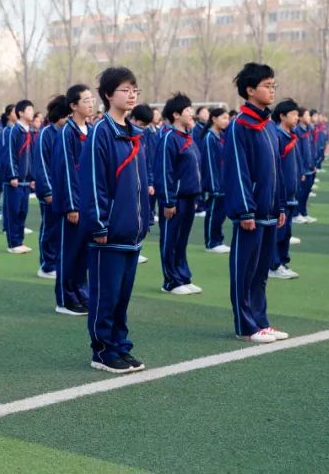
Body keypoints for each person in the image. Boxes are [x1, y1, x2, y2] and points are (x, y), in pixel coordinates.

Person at [81, 67, 151, 374]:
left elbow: (140, 182)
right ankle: (103, 350)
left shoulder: (134, 133)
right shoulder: (101, 131)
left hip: (131, 231)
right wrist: (99, 223)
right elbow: (93, 181)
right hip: (109, 232)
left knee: (122, 297)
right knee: (106, 296)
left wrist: (144, 218)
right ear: (108, 95)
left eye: (135, 89)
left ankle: (121, 346)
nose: (132, 95)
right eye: (125, 89)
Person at [224, 63, 288, 344]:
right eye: (267, 86)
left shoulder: (269, 125)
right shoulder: (240, 125)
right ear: (250, 90)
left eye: (274, 85)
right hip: (250, 212)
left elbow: (276, 168)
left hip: (269, 210)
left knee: (261, 272)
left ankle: (261, 321)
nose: (272, 90)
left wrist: (280, 205)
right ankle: (245, 325)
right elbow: (237, 170)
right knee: (245, 270)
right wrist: (245, 210)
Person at [50, 85, 95, 316]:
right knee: (69, 252)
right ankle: (65, 299)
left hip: (89, 204)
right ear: (73, 106)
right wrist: (71, 205)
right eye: (85, 100)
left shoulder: (92, 130)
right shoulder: (67, 133)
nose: (91, 103)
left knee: (83, 253)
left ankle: (80, 293)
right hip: (74, 205)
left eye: (91, 99)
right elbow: (65, 170)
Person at [155, 93, 204, 295]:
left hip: (189, 198)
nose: (191, 113)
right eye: (187, 110)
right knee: (170, 239)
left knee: (182, 240)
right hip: (174, 200)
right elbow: (164, 171)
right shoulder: (169, 138)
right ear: (176, 115)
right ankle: (171, 281)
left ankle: (183, 277)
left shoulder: (188, 137)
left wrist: (196, 196)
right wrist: (168, 201)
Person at [32, 95, 68, 280]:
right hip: (51, 193)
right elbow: (41, 165)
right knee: (50, 229)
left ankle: (60, 262)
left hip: (67, 193)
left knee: (65, 231)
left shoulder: (68, 133)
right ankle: (47, 265)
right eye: (67, 115)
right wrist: (47, 191)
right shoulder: (46, 134)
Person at [269, 99, 302, 280]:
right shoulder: (277, 136)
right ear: (282, 116)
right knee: (278, 231)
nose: (297, 118)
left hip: (291, 194)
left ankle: (282, 262)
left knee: (286, 232)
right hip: (280, 194)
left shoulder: (290, 135)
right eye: (294, 115)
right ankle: (273, 265)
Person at [0, 100, 35, 254]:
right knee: (13, 212)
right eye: (29, 110)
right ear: (21, 113)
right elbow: (10, 154)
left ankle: (19, 241)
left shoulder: (29, 131)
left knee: (22, 212)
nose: (32, 113)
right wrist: (13, 175)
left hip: (26, 181)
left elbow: (31, 157)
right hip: (14, 181)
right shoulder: (13, 131)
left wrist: (33, 177)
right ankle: (13, 243)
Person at [201, 108, 230, 253]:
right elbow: (209, 164)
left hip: (223, 182)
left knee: (221, 214)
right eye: (223, 118)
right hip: (215, 183)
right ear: (214, 119)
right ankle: (211, 243)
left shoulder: (222, 136)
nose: (226, 121)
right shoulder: (209, 138)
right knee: (213, 213)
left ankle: (218, 240)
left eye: (227, 118)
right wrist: (213, 186)